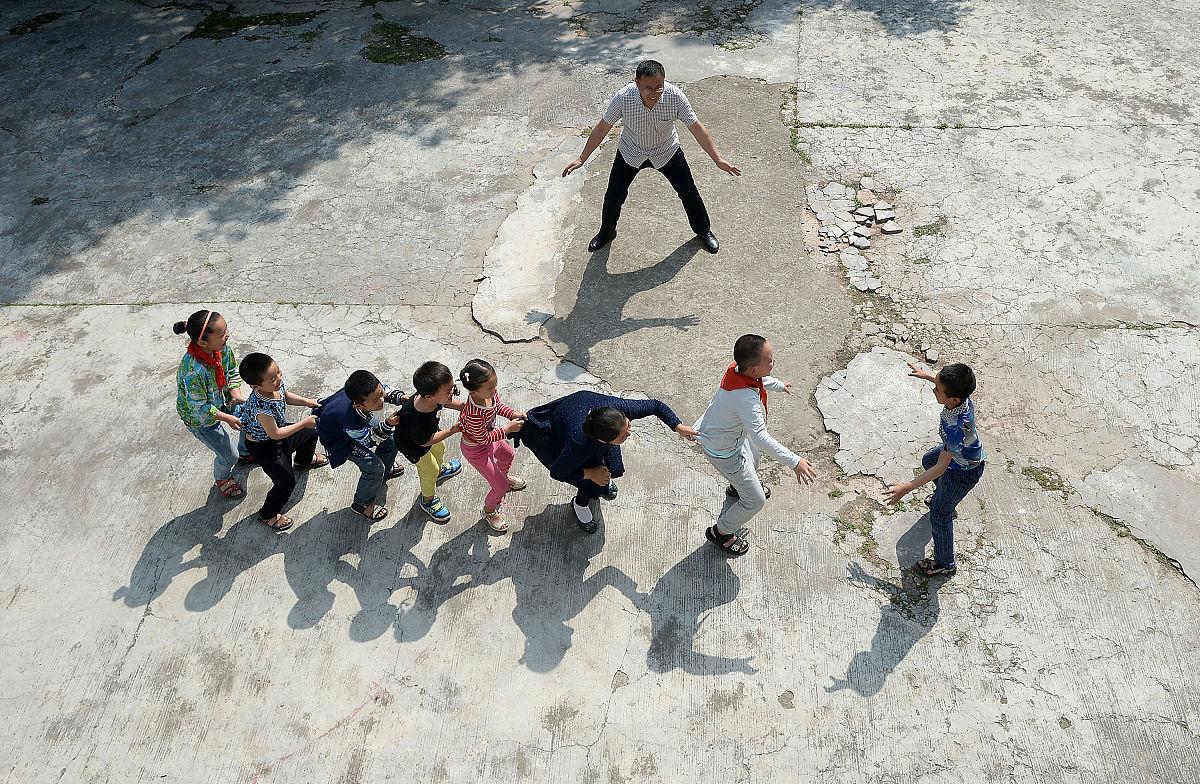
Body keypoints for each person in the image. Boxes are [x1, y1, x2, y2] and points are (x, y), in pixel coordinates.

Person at [561, 59, 740, 255]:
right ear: (636, 82)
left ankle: (703, 231)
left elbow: (697, 128)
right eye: (647, 88)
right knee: (614, 195)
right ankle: (606, 232)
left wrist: (717, 159)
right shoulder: (623, 97)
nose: (653, 93)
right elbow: (603, 127)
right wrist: (582, 158)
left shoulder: (675, 97)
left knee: (688, 192)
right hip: (631, 151)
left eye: (658, 87)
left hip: (666, 151)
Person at [693, 335, 818, 556]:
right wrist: (794, 461)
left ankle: (738, 488)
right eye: (769, 360)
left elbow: (758, 380)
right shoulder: (746, 400)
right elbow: (760, 438)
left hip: (731, 437)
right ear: (752, 368)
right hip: (725, 451)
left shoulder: (736, 370)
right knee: (756, 501)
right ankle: (721, 533)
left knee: (755, 460)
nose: (774, 361)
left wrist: (778, 384)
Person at [518, 391, 698, 533]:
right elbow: (558, 471)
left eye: (627, 425)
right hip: (553, 435)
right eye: (623, 437)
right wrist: (589, 473)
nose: (629, 433)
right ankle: (580, 505)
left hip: (582, 408)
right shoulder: (581, 445)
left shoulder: (616, 411)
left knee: (614, 468)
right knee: (593, 482)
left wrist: (678, 427)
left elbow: (656, 406)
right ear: (604, 441)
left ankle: (599, 481)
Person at [882, 362, 986, 577]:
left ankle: (945, 563)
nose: (933, 389)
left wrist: (906, 487)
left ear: (953, 399)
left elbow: (941, 467)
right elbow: (936, 464)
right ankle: (946, 497)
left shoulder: (957, 426)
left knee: (939, 515)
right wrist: (926, 375)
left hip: (964, 471)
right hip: (959, 455)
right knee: (928, 460)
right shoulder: (961, 399)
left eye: (937, 389)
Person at [237, 352, 327, 530]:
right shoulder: (260, 407)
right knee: (286, 483)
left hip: (277, 435)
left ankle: (303, 460)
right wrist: (303, 423)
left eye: (278, 371)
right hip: (264, 446)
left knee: (310, 433)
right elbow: (276, 434)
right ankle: (267, 514)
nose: (278, 378)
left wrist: (307, 402)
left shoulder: (275, 386)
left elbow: (286, 395)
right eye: (272, 378)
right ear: (255, 386)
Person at [174, 309, 250, 500]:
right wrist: (227, 418)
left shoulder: (221, 349)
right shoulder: (192, 373)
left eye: (226, 330)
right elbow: (200, 408)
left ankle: (245, 451)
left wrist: (235, 393)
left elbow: (232, 369)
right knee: (228, 456)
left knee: (249, 415)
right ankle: (223, 477)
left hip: (222, 399)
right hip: (201, 419)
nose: (228, 335)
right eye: (222, 334)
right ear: (202, 342)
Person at [313, 370, 406, 522]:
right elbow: (369, 441)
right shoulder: (350, 420)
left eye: (381, 394)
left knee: (391, 439)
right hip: (341, 440)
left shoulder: (361, 393)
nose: (381, 401)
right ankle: (362, 504)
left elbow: (383, 389)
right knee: (374, 468)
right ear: (357, 405)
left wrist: (400, 397)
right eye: (375, 401)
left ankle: (385, 471)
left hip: (355, 425)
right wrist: (387, 424)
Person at [457, 359, 526, 533]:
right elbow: (482, 439)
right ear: (473, 392)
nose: (494, 390)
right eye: (490, 388)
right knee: (501, 488)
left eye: (495, 385)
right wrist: (507, 429)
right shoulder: (473, 413)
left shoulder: (489, 394)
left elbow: (498, 406)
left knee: (508, 454)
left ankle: (501, 479)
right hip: (476, 450)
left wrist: (513, 414)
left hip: (490, 438)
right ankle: (489, 511)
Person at [392, 361, 464, 523]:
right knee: (428, 470)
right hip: (414, 447)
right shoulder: (417, 418)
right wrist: (452, 430)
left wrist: (462, 407)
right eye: (448, 390)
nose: (452, 392)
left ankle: (438, 471)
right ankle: (428, 500)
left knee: (440, 447)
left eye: (452, 386)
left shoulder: (432, 398)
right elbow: (426, 442)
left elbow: (446, 401)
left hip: (428, 435)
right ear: (430, 397)